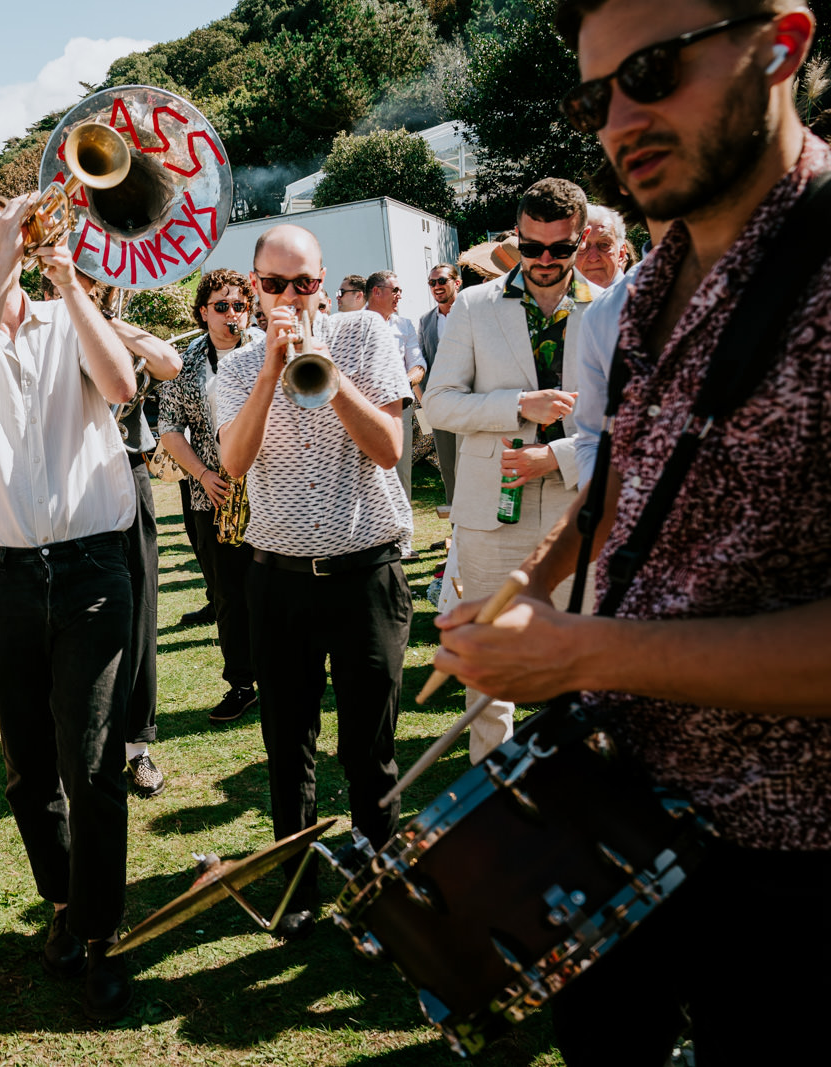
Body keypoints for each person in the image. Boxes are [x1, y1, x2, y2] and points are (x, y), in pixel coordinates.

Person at [438, 2, 830, 1062]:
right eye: (594, 96)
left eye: (651, 73)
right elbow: (625, 482)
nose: (618, 122)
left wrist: (582, 648)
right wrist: (532, 581)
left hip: (794, 859)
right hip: (628, 812)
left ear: (780, 44)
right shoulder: (650, 287)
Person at [0, 189, 137, 1021]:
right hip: (2, 575)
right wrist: (0, 276)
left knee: (93, 763)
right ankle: (62, 903)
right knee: (28, 770)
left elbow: (120, 386)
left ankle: (101, 935)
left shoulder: (68, 315)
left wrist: (68, 280)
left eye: (1, 228)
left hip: (91, 570)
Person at [218, 224, 413, 942]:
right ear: (253, 286)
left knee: (370, 747)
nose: (290, 298)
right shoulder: (236, 368)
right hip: (279, 581)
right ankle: (296, 884)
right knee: (287, 741)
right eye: (274, 285)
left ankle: (377, 888)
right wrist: (272, 371)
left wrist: (326, 372)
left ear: (324, 282)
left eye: (304, 284)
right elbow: (233, 463)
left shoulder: (364, 334)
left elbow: (389, 448)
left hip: (365, 573)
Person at [422, 177, 598, 763]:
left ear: (580, 241)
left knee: (581, 659)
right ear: (515, 239)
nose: (545, 261)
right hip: (490, 512)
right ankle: (488, 792)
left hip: (579, 511)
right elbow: (438, 403)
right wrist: (517, 407)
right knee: (489, 663)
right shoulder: (472, 306)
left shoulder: (607, 308)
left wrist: (559, 456)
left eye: (561, 249)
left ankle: (581, 784)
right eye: (533, 247)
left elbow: (627, 419)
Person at [80, 274, 182, 798]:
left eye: (94, 278)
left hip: (129, 473)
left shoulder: (121, 329)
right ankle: (82, 744)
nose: (86, 285)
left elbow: (170, 364)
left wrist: (114, 325)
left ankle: (137, 747)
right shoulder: (49, 330)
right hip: (71, 484)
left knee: (140, 611)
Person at [156, 267, 263, 726]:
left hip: (268, 488)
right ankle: (242, 683)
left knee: (276, 587)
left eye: (240, 305)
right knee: (226, 594)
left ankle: (287, 672)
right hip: (211, 494)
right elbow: (168, 429)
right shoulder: (185, 361)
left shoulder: (267, 350)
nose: (232, 315)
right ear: (203, 311)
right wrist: (201, 475)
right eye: (221, 306)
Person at [364, 270, 426, 509]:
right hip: (365, 410)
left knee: (401, 474)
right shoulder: (355, 324)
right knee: (367, 474)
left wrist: (398, 384)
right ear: (377, 292)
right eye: (395, 290)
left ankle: (403, 540)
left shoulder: (405, 325)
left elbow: (418, 366)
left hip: (400, 408)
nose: (400, 295)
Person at [417, 264, 464, 507]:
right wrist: (426, 407)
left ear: (457, 282)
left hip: (471, 403)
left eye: (442, 281)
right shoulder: (425, 321)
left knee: (475, 465)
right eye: (432, 282)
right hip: (441, 407)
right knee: (448, 468)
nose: (436, 286)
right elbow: (421, 365)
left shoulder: (470, 312)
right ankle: (456, 533)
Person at [577, 203, 630, 287]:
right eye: (583, 247)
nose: (593, 258)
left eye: (604, 245)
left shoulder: (641, 296)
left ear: (621, 254)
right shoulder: (557, 298)